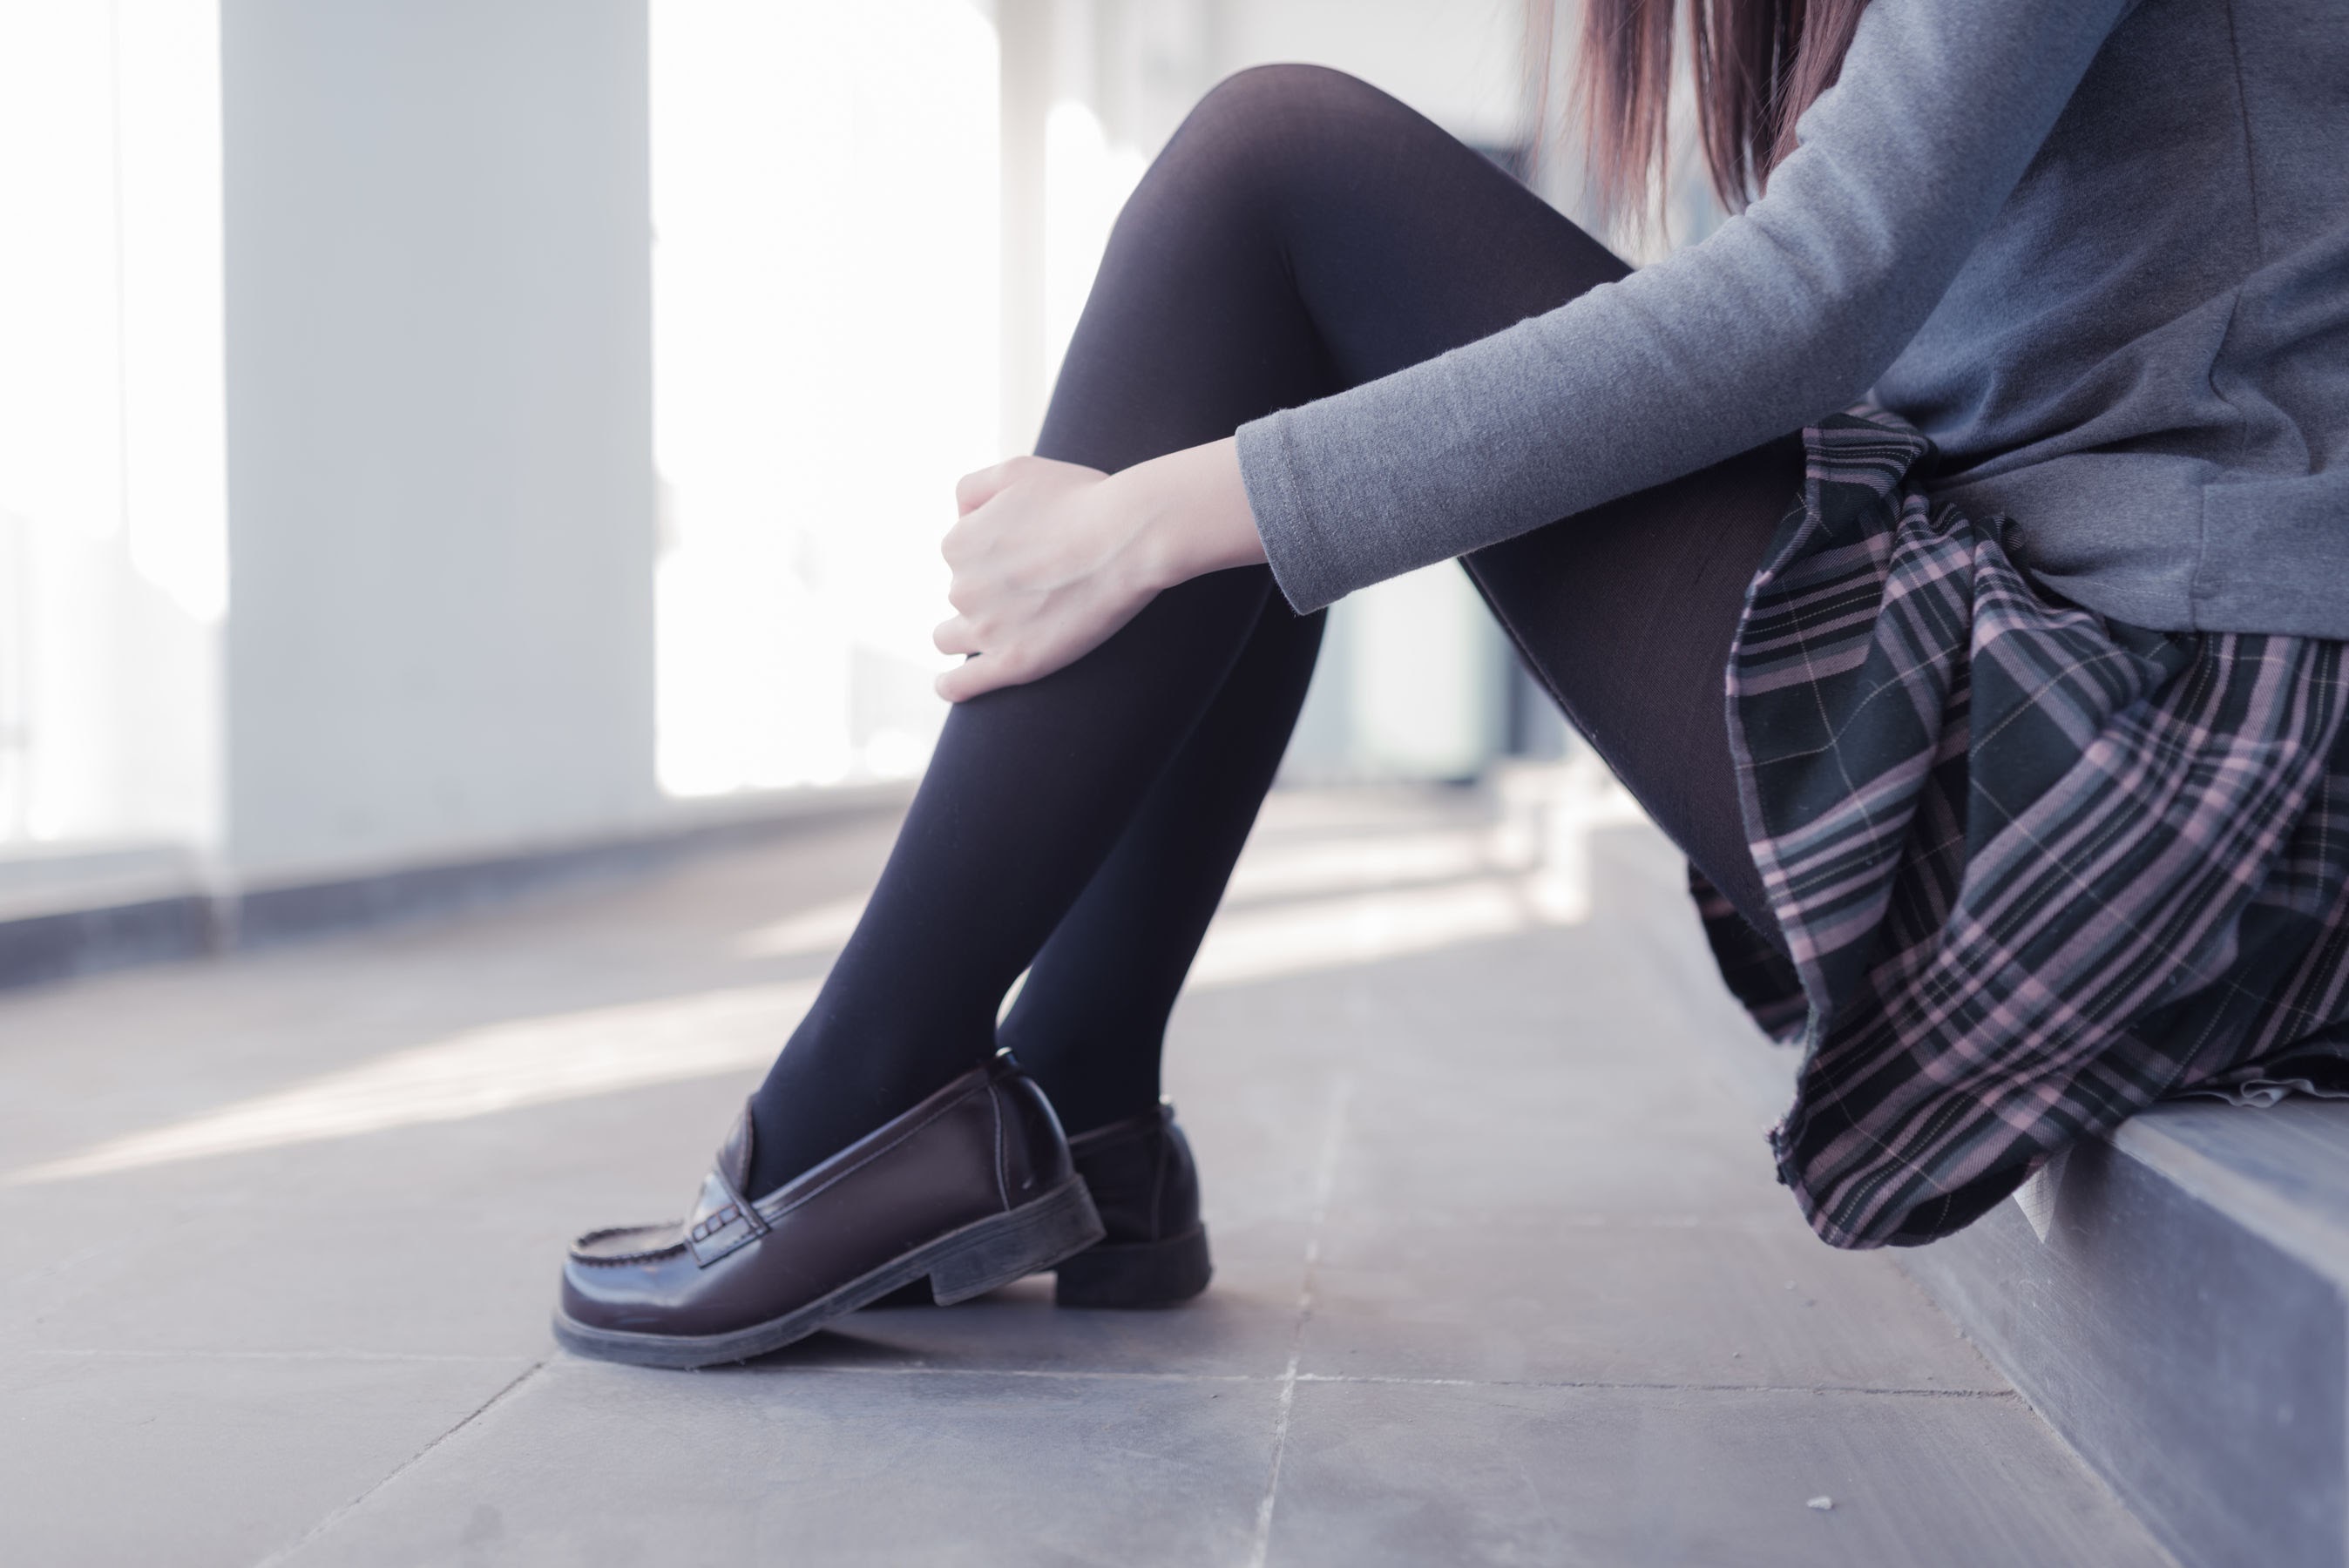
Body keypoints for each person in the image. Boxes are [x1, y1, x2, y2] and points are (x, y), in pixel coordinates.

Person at [553, 0, 2349, 1369]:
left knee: (1275, 170)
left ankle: (864, 1104)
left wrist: (1159, 520)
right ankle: (1073, 1096)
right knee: (1279, 225)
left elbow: (1820, 296)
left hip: (2173, 751)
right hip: (2080, 666)